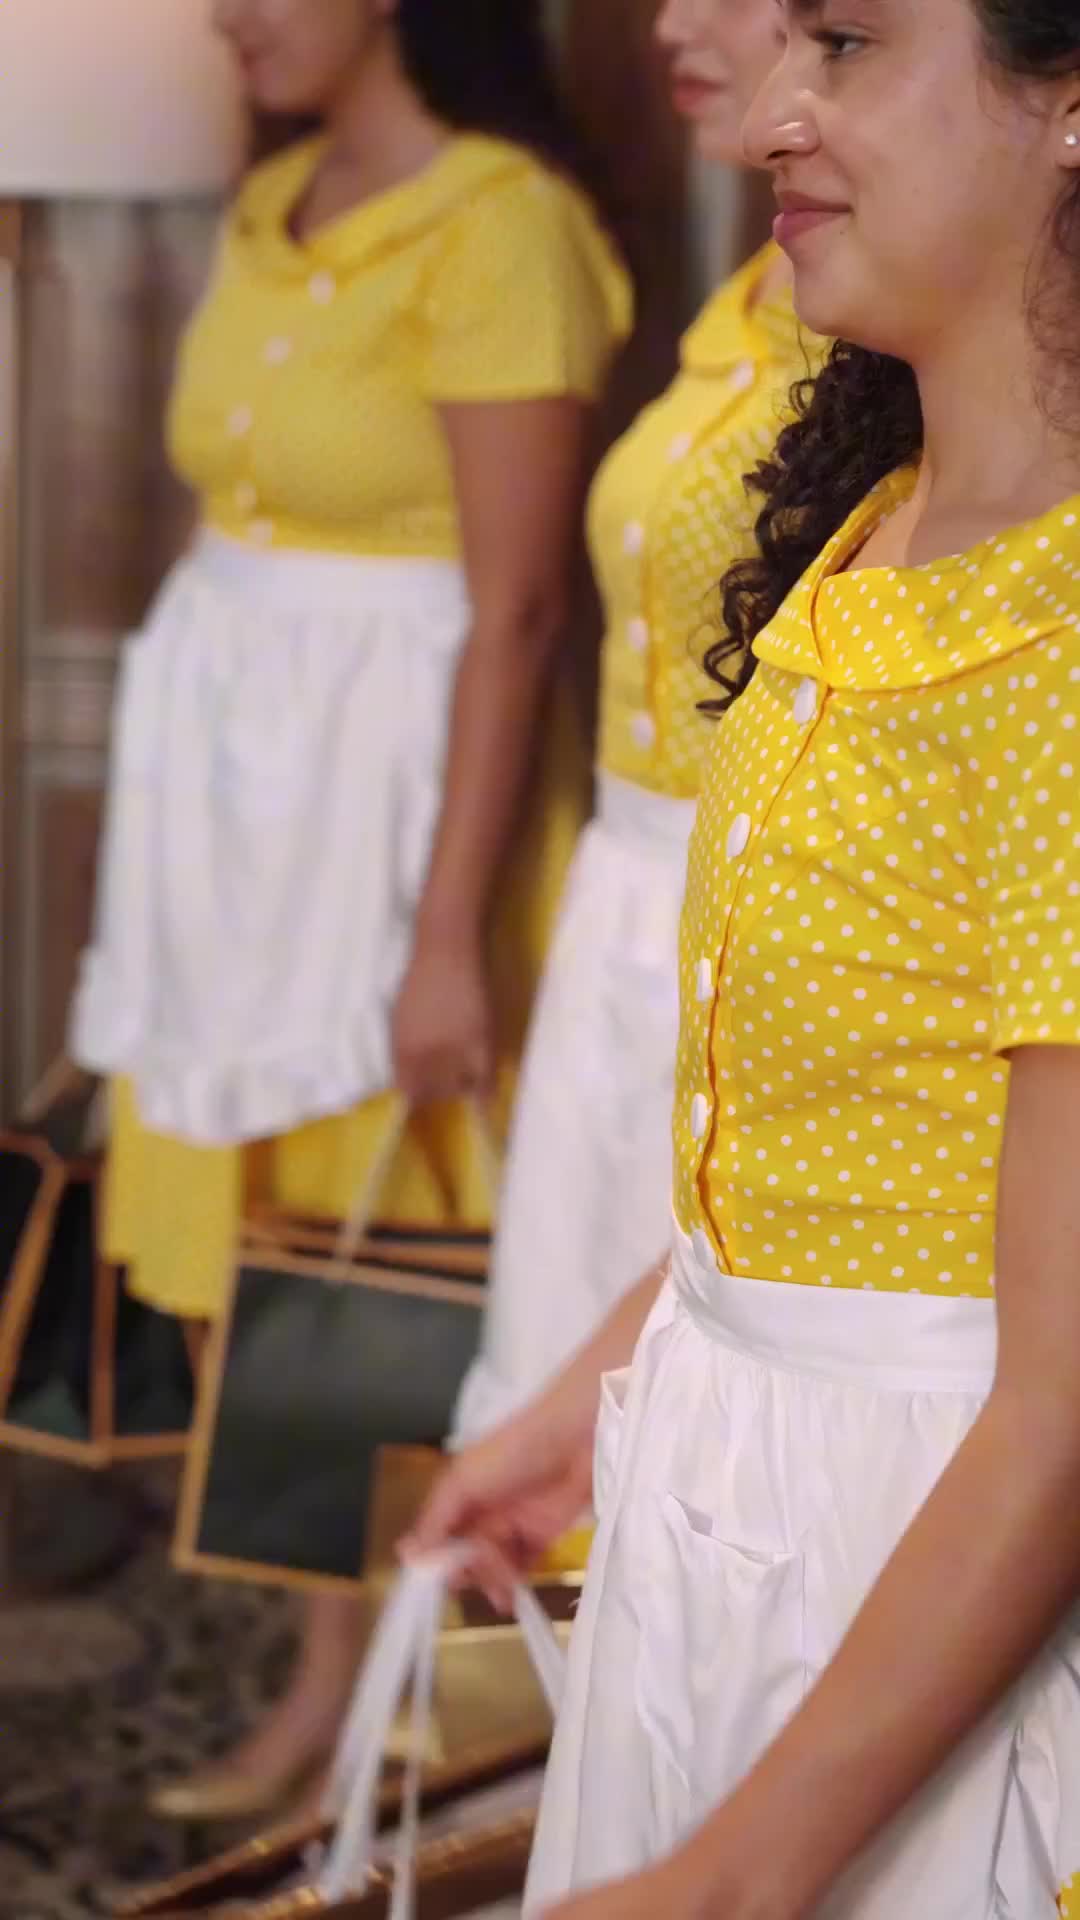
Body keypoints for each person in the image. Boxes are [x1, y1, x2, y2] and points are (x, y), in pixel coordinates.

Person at [409, 1, 1080, 1912]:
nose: (778, 112)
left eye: (848, 42)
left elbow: (1062, 1403)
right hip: (742, 1499)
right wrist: (601, 1392)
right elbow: (843, 1148)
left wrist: (733, 1877)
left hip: (922, 1565)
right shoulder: (881, 530)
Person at [71, 0, 630, 1821]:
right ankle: (326, 1678)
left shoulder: (502, 225)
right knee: (265, 1260)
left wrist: (444, 933)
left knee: (376, 1262)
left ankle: (376, 1702)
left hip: (395, 824)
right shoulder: (276, 201)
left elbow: (519, 608)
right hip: (245, 825)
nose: (223, 16)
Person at [452, 0, 812, 1461]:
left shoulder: (914, 317)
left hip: (751, 907)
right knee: (560, 1342)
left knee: (684, 1401)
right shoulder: (752, 293)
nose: (674, 21)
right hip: (622, 891)